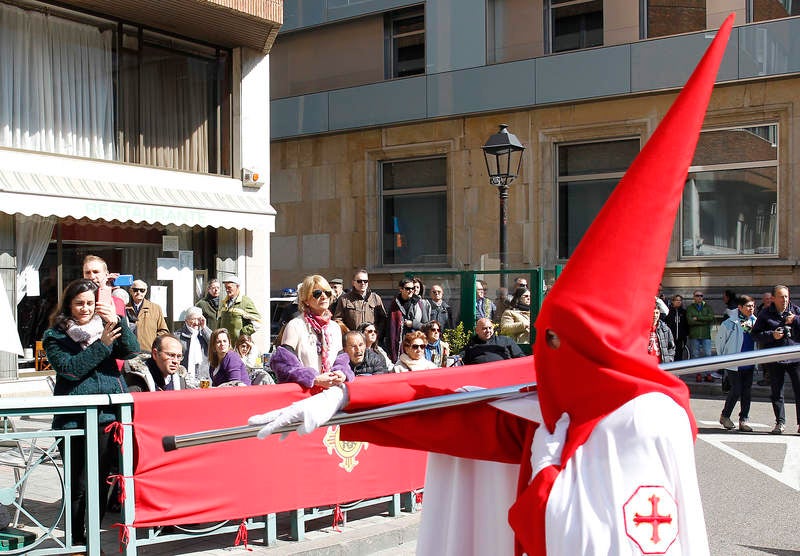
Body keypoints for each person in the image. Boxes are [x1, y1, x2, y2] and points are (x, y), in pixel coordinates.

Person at [249, 18, 732, 554]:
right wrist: (341, 401)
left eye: (557, 338)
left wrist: (549, 464)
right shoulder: (559, 390)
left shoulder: (645, 420)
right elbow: (450, 405)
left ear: (596, 346)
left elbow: (562, 532)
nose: (544, 352)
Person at [43, 278, 139, 549]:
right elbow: (70, 369)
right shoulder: (56, 336)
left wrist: (119, 321)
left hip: (107, 418)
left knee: (100, 482)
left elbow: (132, 349)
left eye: (89, 303)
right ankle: (75, 540)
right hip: (73, 418)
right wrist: (103, 345)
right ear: (68, 306)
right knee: (78, 484)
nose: (85, 309)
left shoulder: (106, 327)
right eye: (79, 304)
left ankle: (93, 539)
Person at [271, 275, 353, 391]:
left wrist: (342, 373)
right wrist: (314, 379)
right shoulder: (295, 325)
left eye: (327, 292)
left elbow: (341, 360)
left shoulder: (334, 327)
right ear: (306, 300)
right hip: (306, 395)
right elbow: (282, 364)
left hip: (332, 395)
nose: (323, 296)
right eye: (317, 293)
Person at [751, 285, 800, 435]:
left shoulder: (796, 311)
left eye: (786, 296)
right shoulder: (765, 314)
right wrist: (772, 335)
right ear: (773, 298)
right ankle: (780, 422)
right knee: (777, 391)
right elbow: (756, 334)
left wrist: (796, 320)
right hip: (775, 358)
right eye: (781, 296)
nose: (784, 300)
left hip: (794, 356)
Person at [715, 295, 757, 432]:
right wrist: (722, 359)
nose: (751, 309)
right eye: (748, 306)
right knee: (736, 389)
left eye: (753, 306)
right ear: (740, 307)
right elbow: (720, 342)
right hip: (734, 363)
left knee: (747, 392)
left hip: (750, 362)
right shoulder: (730, 323)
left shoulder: (756, 321)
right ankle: (725, 416)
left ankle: (743, 419)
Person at [333, 269, 388, 340]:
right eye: (359, 281)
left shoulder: (375, 298)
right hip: (353, 340)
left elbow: (382, 319)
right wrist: (348, 334)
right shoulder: (344, 299)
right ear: (353, 282)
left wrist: (376, 334)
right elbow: (338, 320)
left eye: (365, 281)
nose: (363, 283)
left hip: (370, 340)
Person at [125, 334, 191, 392]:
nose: (175, 361)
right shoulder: (137, 379)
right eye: (171, 355)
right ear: (155, 354)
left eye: (179, 356)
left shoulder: (181, 379)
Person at [388, 277, 431, 363]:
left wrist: (413, 324)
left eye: (412, 288)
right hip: (399, 344)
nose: (411, 290)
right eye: (408, 288)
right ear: (401, 289)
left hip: (415, 345)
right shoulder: (394, 304)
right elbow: (388, 329)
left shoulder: (419, 303)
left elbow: (426, 326)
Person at [126, 279, 169, 353]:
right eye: (135, 290)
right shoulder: (124, 308)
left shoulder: (155, 308)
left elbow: (164, 331)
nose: (138, 292)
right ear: (130, 291)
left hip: (149, 352)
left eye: (142, 290)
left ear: (146, 291)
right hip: (129, 352)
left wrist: (153, 343)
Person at [218, 276, 263, 342]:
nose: (227, 290)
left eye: (229, 287)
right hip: (225, 345)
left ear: (237, 287)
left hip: (240, 346)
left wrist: (243, 333)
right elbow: (219, 322)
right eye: (226, 288)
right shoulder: (224, 302)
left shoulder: (245, 302)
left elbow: (257, 321)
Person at [175, 306, 210, 385]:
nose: (196, 322)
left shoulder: (203, 333)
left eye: (199, 319)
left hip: (204, 377)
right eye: (193, 319)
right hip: (185, 378)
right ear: (186, 320)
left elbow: (214, 343)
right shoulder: (178, 336)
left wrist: (204, 327)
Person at [687, 289, 716, 382]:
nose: (699, 297)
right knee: (695, 355)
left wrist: (698, 318)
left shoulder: (708, 307)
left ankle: (708, 374)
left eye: (701, 296)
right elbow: (690, 321)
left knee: (708, 354)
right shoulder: (690, 308)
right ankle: (698, 374)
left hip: (705, 335)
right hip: (694, 335)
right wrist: (704, 321)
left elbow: (711, 318)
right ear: (694, 297)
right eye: (697, 295)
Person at [665, 294, 689, 361]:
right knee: (670, 355)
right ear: (673, 301)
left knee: (679, 355)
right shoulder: (668, 311)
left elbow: (686, 325)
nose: (678, 302)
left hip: (680, 339)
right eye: (677, 300)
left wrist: (685, 335)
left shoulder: (684, 312)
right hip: (671, 338)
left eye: (680, 300)